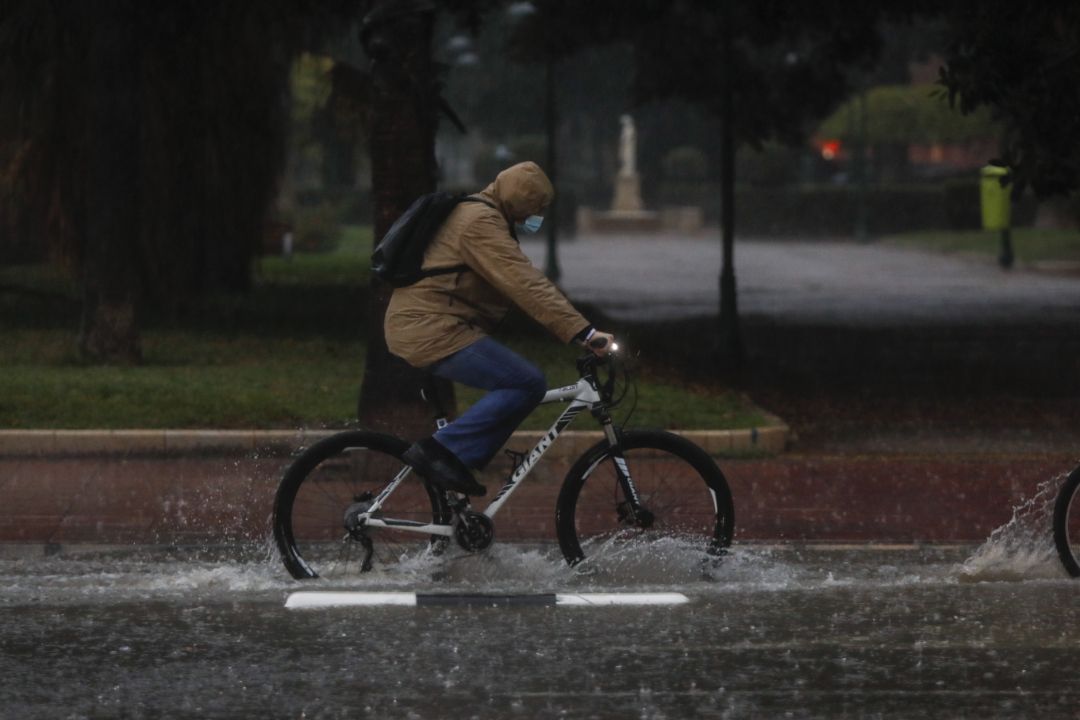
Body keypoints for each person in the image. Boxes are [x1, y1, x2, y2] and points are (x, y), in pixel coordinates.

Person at [384, 161, 615, 496]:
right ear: (519, 201)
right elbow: (526, 285)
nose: (537, 216)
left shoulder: (481, 214)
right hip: (430, 329)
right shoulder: (480, 222)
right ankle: (442, 452)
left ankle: (455, 462)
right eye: (536, 208)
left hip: (432, 325)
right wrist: (586, 333)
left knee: (518, 382)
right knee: (526, 382)